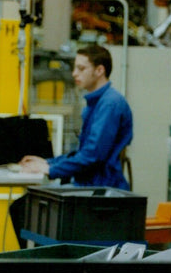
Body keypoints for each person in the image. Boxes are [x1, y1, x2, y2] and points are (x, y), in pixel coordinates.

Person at [20, 44, 133, 190]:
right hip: (91, 186)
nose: (74, 74)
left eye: (81, 68)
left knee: (23, 206)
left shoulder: (110, 104)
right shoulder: (97, 103)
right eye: (74, 68)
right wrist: (49, 163)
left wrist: (50, 170)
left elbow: (92, 156)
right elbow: (83, 153)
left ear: (99, 70)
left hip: (100, 190)